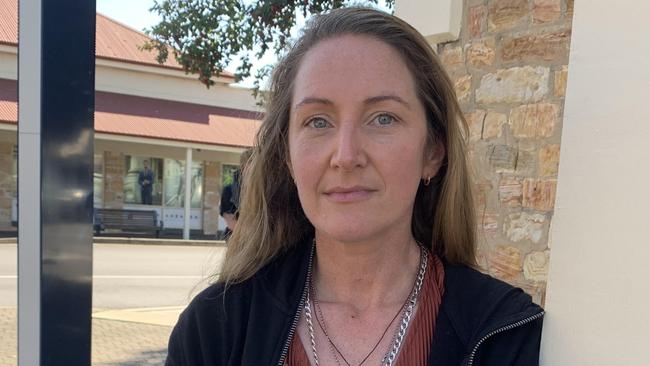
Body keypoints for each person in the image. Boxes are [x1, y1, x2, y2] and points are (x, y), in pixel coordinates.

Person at [166, 7, 544, 366]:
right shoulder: (215, 328)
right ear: (288, 157)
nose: (346, 156)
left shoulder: (506, 335)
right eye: (317, 122)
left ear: (432, 151)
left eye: (383, 118)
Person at [219, 149, 253, 238]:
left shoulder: (265, 190)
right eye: (251, 163)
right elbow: (231, 222)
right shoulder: (229, 190)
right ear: (243, 167)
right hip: (238, 241)